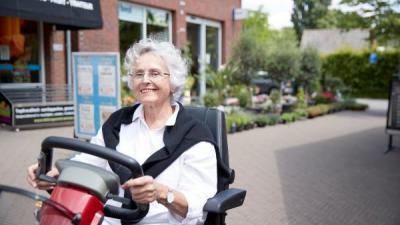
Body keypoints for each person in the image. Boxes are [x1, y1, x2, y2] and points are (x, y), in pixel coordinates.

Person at [27, 39, 218, 225]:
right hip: (109, 218)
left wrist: (161, 193)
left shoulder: (196, 137)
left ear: (173, 82)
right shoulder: (117, 122)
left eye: (154, 73)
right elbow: (87, 161)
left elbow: (198, 208)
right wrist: (54, 174)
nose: (145, 80)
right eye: (138, 74)